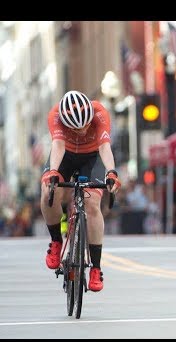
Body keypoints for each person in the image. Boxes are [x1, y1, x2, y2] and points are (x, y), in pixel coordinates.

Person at [40, 90, 121, 292]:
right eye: (76, 128)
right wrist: (53, 173)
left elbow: (104, 147)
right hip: (65, 155)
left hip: (91, 158)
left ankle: (96, 268)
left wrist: (111, 172)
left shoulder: (100, 112)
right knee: (48, 190)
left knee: (92, 204)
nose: (83, 130)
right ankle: (56, 241)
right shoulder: (55, 115)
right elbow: (57, 145)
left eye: (86, 125)